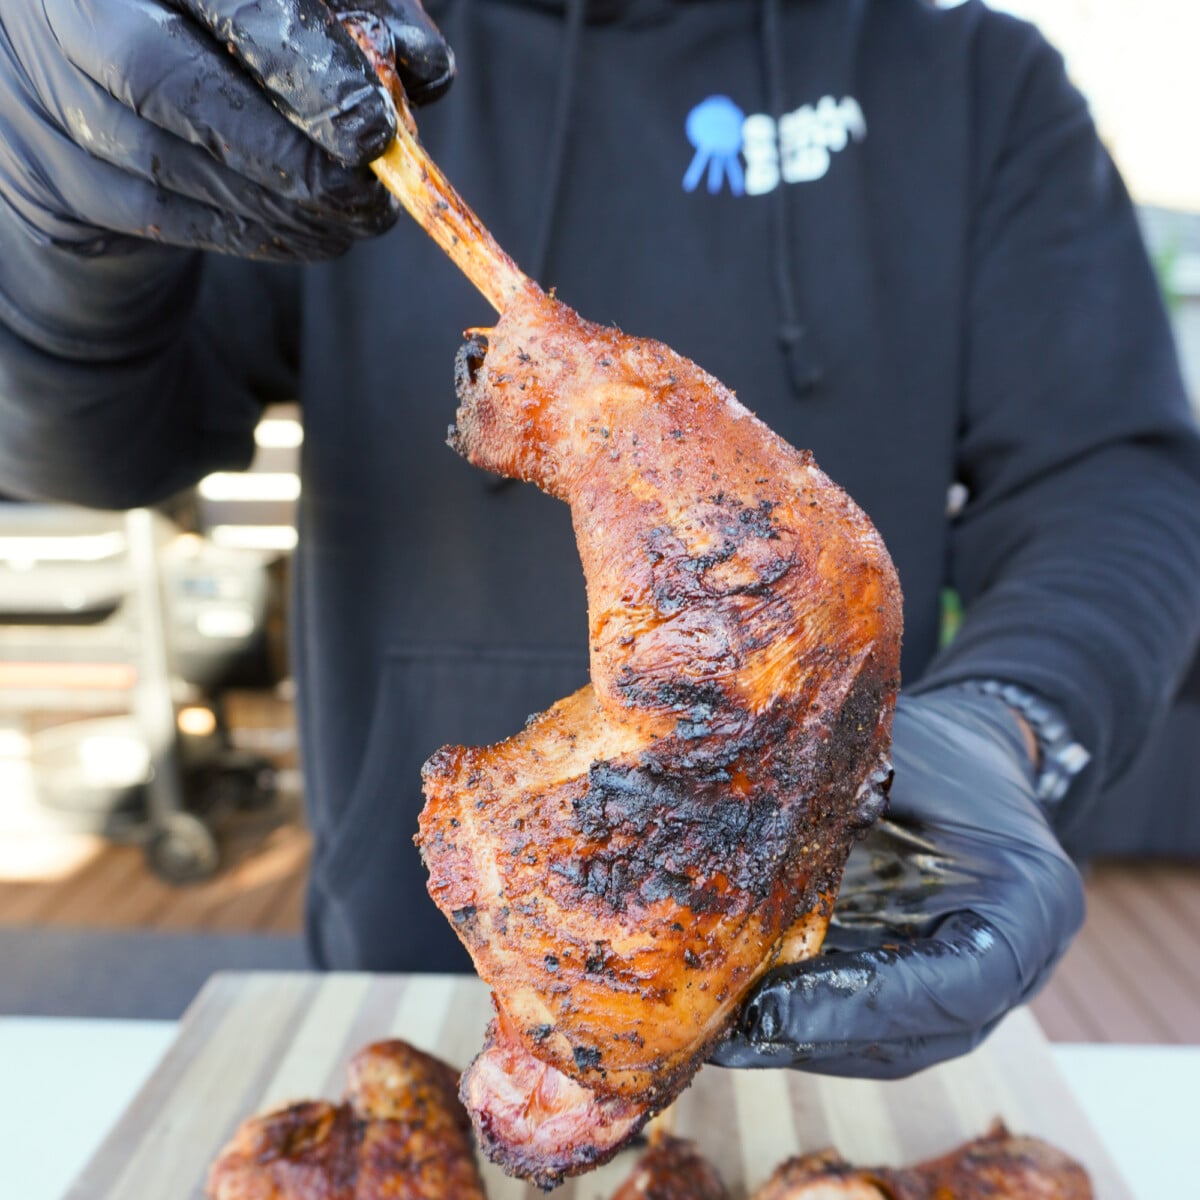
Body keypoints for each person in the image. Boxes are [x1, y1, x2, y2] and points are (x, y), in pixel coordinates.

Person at [1, 0, 1198, 1080]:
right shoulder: (321, 61)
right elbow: (100, 449)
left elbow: (1111, 477)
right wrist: (54, 208)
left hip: (835, 957)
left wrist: (1016, 718)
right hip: (394, 970)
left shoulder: (974, 80)